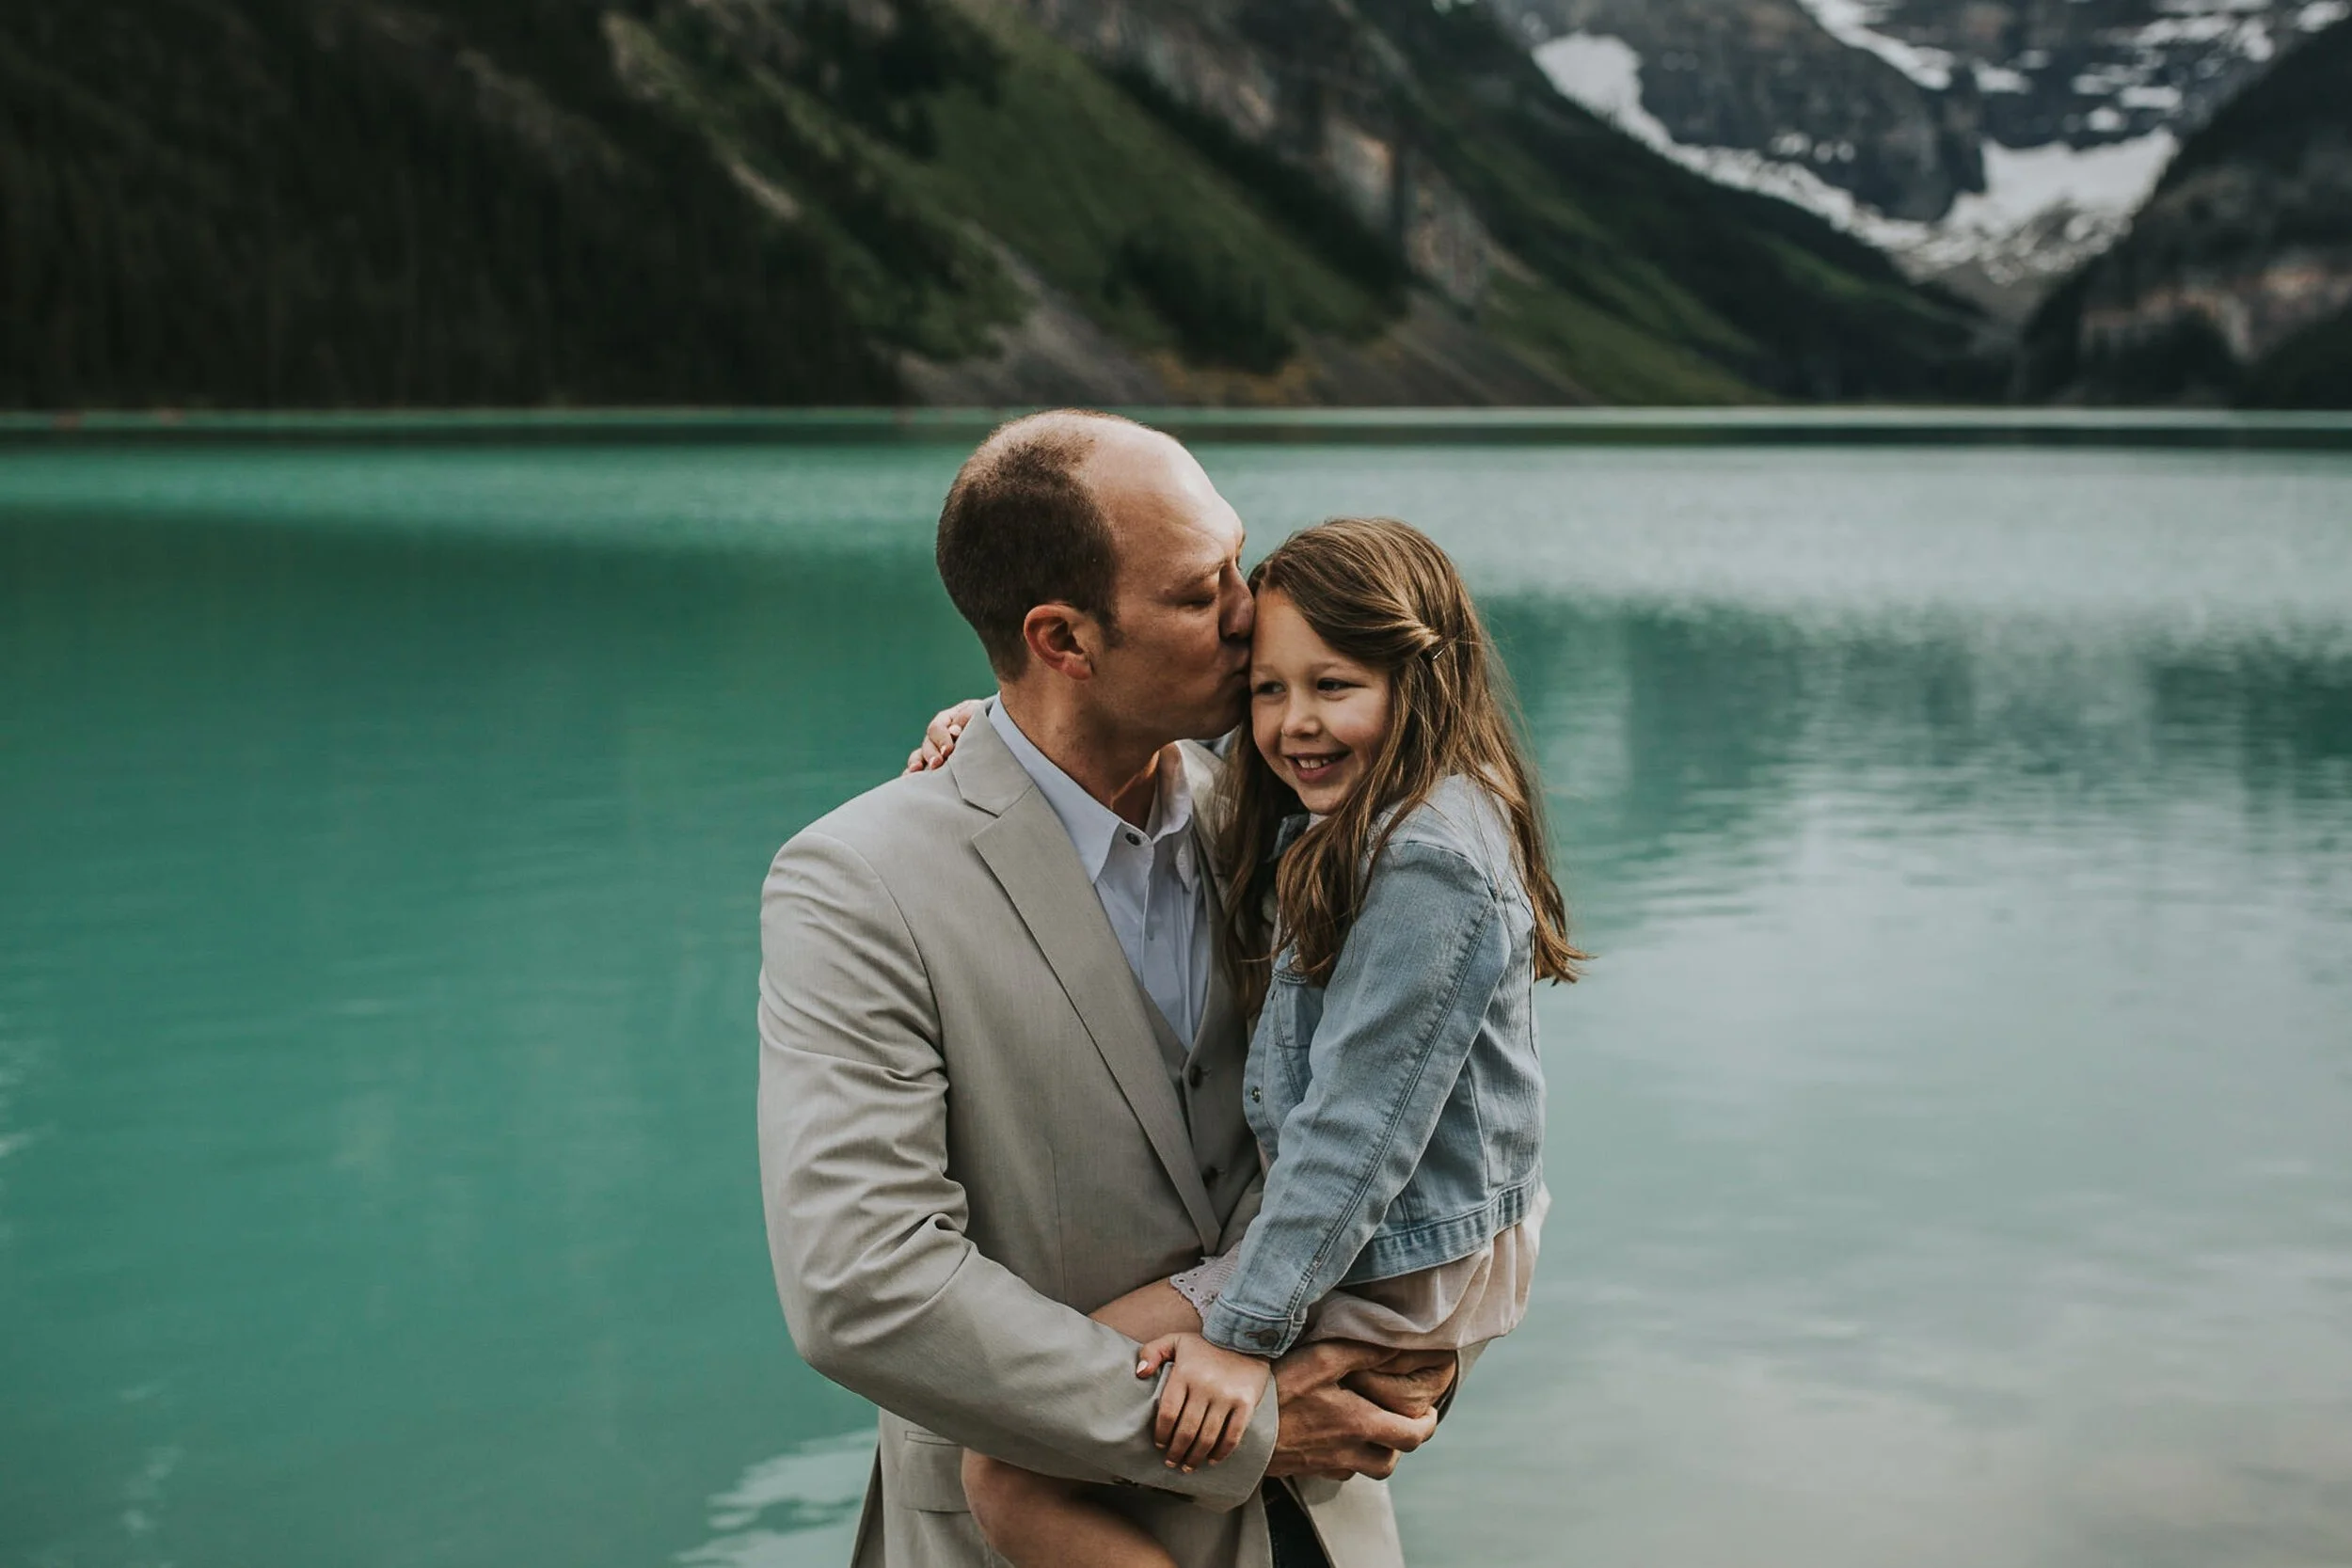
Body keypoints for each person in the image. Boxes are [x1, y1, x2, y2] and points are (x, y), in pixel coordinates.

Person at [757, 411, 1461, 1568]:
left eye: (1239, 557)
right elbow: (863, 1286)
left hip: (1324, 1533)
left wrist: (1415, 1365)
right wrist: (1247, 1423)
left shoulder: (1310, 812)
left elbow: (1451, 1103)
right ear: (1064, 638)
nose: (1254, 612)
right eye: (1201, 593)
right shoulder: (858, 884)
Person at [919, 517, 1583, 1568]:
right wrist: (995, 731)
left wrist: (1241, 1338)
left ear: (1423, 679)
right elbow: (1194, 745)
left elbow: (1356, 1132)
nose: (1291, 724)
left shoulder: (1429, 862)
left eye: (1334, 685)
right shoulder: (1371, 793)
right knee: (1034, 1448)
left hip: (1386, 1261)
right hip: (1385, 1241)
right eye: (1267, 689)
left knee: (1008, 1466)